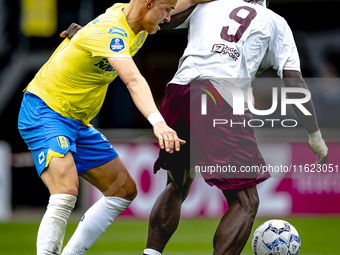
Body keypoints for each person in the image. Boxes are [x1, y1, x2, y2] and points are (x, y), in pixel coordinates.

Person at [64, 0, 328, 254]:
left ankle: (151, 254)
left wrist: (89, 32)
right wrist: (315, 135)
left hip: (178, 92)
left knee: (177, 184)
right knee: (246, 201)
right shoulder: (275, 22)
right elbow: (293, 81)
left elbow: (151, 20)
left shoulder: (208, 5)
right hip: (218, 96)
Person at [17, 0, 208, 254]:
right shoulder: (113, 32)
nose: (168, 18)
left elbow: (190, 0)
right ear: (149, 3)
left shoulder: (132, 18)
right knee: (65, 192)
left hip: (77, 121)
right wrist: (158, 122)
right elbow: (133, 80)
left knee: (122, 190)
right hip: (44, 110)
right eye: (167, 10)